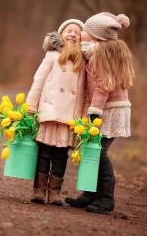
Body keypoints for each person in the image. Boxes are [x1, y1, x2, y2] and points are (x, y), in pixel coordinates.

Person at [65, 12, 135, 214]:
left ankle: (106, 198)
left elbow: (103, 86)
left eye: (85, 31)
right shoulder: (99, 52)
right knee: (92, 151)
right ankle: (90, 193)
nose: (82, 33)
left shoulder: (99, 56)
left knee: (100, 153)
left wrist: (93, 113)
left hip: (107, 110)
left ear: (96, 37)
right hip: (110, 107)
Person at [26, 19, 86, 206]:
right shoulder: (51, 56)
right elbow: (39, 81)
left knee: (60, 155)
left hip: (68, 117)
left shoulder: (83, 61)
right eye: (69, 31)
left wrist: (82, 117)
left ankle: (54, 192)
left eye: (77, 32)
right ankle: (38, 190)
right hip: (49, 112)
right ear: (61, 35)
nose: (72, 34)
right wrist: (31, 106)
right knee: (44, 153)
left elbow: (85, 92)